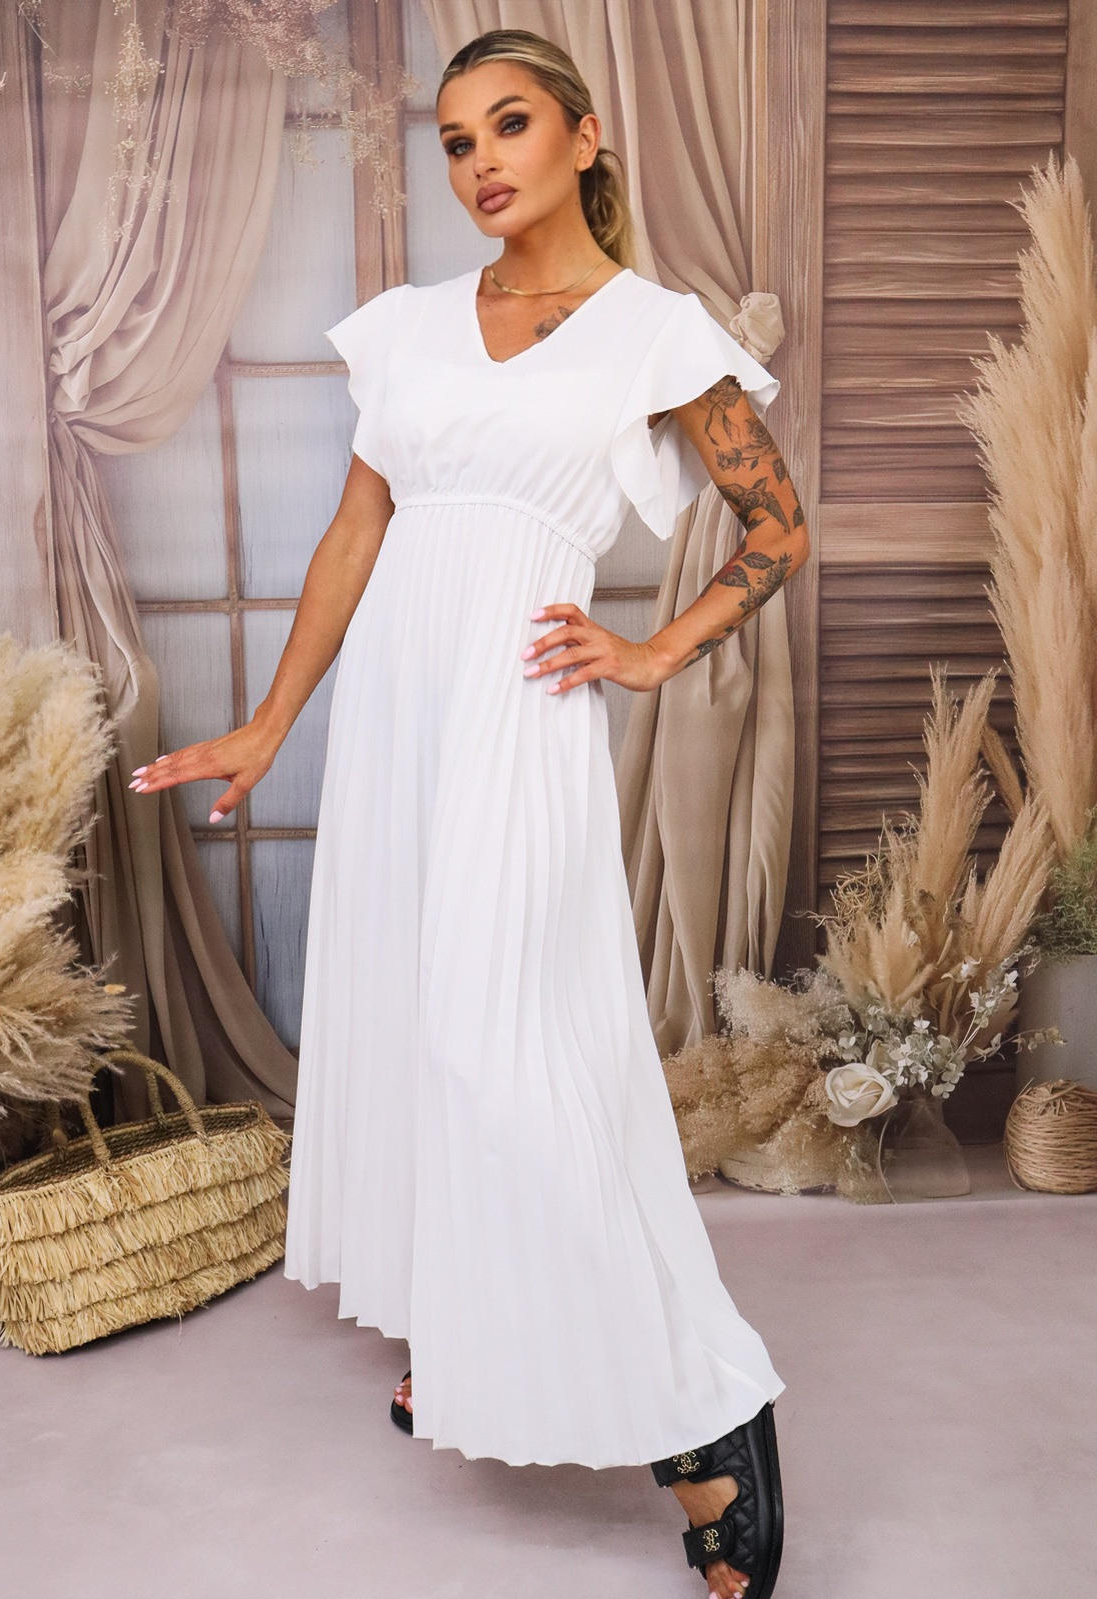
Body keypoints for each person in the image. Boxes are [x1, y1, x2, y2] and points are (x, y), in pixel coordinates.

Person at [130, 29, 807, 1599]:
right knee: (414, 1026)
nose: (480, 161)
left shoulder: (652, 333)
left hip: (518, 717)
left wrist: (652, 652)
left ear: (583, 136)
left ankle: (712, 1413)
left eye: (509, 126)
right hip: (396, 724)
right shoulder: (412, 330)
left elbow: (777, 523)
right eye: (454, 139)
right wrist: (270, 722)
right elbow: (355, 533)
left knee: (518, 1052)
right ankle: (469, 1326)